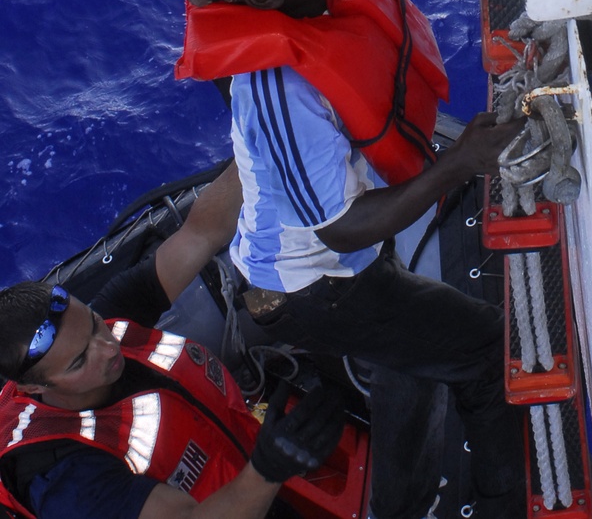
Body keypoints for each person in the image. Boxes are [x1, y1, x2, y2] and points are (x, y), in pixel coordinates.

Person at [168, 0, 525, 519]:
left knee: (409, 343)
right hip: (311, 288)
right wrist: (463, 160)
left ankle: (397, 396)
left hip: (342, 256)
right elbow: (340, 230)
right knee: (481, 352)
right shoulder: (283, 93)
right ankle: (505, 505)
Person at [0, 162, 346, 519]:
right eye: (79, 361)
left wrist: (263, 149)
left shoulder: (112, 319)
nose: (108, 348)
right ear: (31, 387)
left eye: (93, 324)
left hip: (247, 472)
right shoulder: (70, 481)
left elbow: (201, 233)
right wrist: (267, 471)